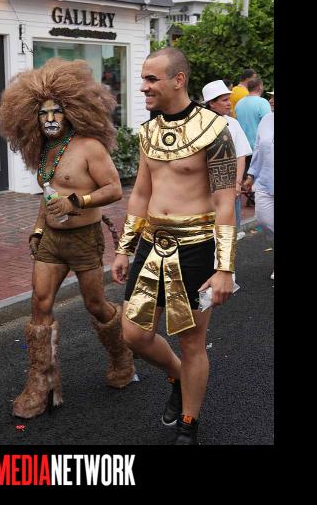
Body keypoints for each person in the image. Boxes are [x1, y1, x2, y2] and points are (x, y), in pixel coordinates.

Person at [111, 47, 238, 445]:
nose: (143, 87)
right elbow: (140, 193)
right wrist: (124, 247)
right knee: (133, 334)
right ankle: (179, 377)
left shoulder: (214, 130)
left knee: (191, 340)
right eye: (144, 79)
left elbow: (224, 202)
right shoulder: (147, 132)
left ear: (178, 80)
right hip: (151, 244)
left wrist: (225, 268)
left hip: (197, 249)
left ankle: (188, 422)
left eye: (152, 79)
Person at [0, 58, 136, 419]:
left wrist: (77, 201)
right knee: (39, 304)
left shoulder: (89, 146)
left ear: (71, 110)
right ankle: (41, 383)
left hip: (84, 240)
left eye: (55, 111)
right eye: (42, 113)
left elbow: (114, 189)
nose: (49, 119)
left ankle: (121, 355)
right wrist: (37, 229)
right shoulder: (44, 150)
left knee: (96, 305)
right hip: (51, 241)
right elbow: (48, 195)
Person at [201, 80, 252, 292]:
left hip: (228, 187)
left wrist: (237, 183)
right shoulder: (198, 124)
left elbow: (241, 155)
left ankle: (227, 273)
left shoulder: (233, 124)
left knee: (227, 229)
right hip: (202, 189)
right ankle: (206, 273)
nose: (229, 103)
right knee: (205, 232)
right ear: (211, 103)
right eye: (224, 100)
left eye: (228, 99)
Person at [243, 104, 274, 280]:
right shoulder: (266, 120)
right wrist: (251, 175)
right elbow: (258, 149)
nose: (271, 100)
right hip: (265, 181)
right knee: (264, 219)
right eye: (272, 97)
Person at [234, 77, 271, 207]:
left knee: (246, 176)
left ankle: (250, 197)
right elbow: (269, 125)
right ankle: (256, 198)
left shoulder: (239, 103)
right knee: (259, 176)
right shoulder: (263, 103)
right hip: (258, 148)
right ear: (260, 87)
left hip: (242, 147)